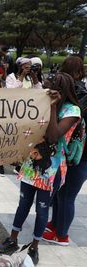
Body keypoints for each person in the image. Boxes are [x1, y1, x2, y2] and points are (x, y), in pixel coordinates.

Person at [0, 72, 82, 265]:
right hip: (31, 165)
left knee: (42, 210)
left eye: (51, 86)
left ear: (60, 91)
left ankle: (34, 247)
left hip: (51, 170)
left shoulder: (72, 110)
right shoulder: (43, 101)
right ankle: (13, 239)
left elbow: (53, 136)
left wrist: (52, 106)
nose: (47, 89)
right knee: (23, 204)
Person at [43, 55, 87, 246]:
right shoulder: (78, 93)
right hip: (72, 154)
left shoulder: (79, 98)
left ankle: (62, 235)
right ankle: (55, 224)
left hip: (80, 155)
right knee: (62, 192)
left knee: (68, 195)